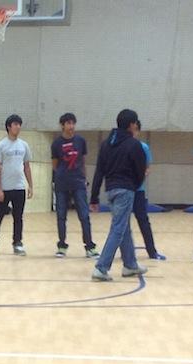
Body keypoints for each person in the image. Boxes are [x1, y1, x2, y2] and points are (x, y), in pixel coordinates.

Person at [89, 109, 148, 281]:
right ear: (132, 124)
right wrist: (134, 186)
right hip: (125, 190)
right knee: (118, 228)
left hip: (111, 190)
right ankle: (101, 268)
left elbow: (99, 171)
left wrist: (94, 197)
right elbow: (140, 171)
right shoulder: (134, 144)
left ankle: (130, 265)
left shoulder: (106, 144)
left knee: (123, 227)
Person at [51, 112, 97, 258]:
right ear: (62, 125)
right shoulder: (56, 144)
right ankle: (62, 246)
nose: (71, 126)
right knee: (61, 216)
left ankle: (89, 246)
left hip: (78, 182)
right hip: (62, 184)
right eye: (68, 123)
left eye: (73, 123)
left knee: (84, 215)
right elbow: (55, 165)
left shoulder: (81, 141)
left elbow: (82, 162)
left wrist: (84, 178)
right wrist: (61, 177)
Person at [0, 114, 32, 255]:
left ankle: (17, 243)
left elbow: (26, 166)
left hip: (19, 187)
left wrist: (30, 185)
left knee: (18, 217)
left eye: (19, 124)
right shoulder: (1, 145)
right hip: (5, 188)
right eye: (15, 124)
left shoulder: (24, 145)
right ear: (9, 127)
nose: (18, 127)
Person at [131, 120, 165, 260]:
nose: (133, 133)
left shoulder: (143, 147)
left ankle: (152, 251)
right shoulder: (121, 146)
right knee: (120, 223)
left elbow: (147, 167)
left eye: (135, 130)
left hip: (138, 190)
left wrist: (142, 175)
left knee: (143, 221)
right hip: (124, 190)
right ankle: (123, 252)